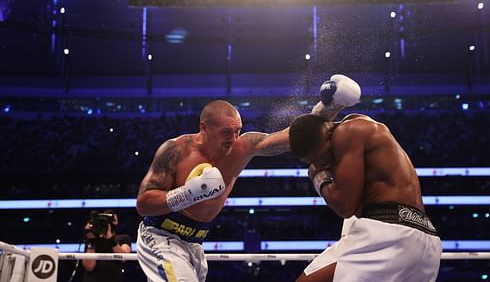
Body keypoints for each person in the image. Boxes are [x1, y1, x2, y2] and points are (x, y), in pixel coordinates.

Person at [135, 75, 361, 282]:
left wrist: (329, 107)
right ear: (204, 128)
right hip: (161, 235)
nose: (233, 139)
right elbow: (144, 204)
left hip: (195, 243)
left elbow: (292, 137)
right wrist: (187, 194)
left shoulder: (243, 146)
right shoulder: (176, 150)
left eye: (237, 131)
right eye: (226, 133)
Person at [288, 98, 442, 280]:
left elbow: (344, 206)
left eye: (320, 157)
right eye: (313, 163)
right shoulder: (364, 129)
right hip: (426, 239)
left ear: (328, 134)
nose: (322, 164)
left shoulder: (345, 132)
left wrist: (318, 176)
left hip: (389, 233)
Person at [82, 210, 132, 282]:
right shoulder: (92, 239)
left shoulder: (123, 238)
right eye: (107, 220)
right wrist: (92, 241)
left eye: (113, 220)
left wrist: (110, 238)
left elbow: (124, 258)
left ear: (117, 222)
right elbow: (89, 267)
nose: (110, 223)